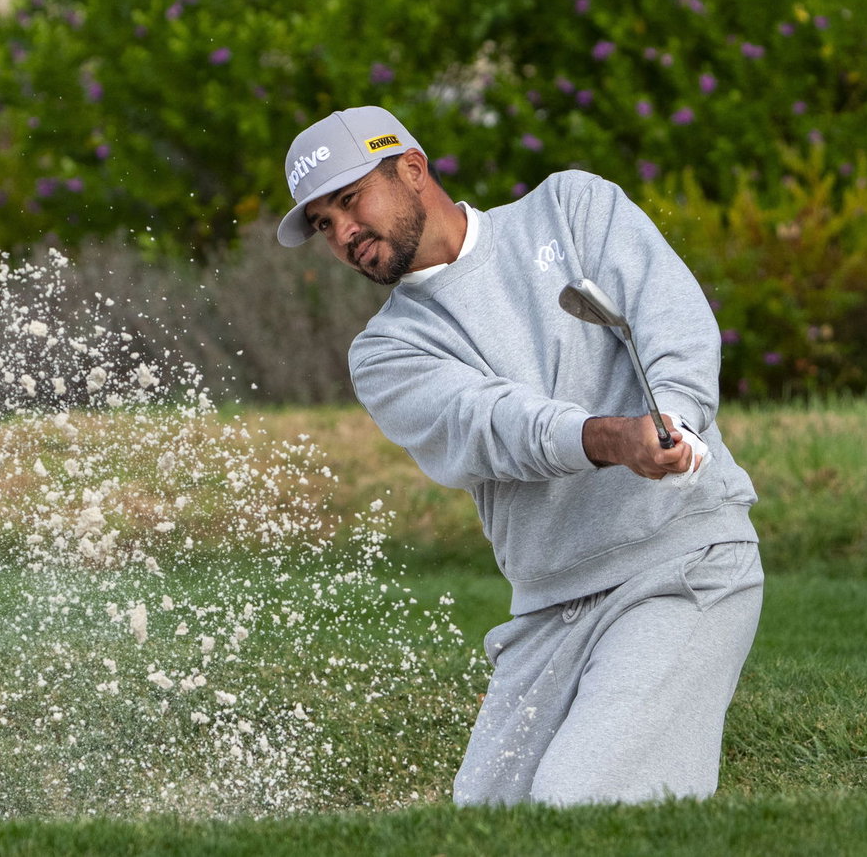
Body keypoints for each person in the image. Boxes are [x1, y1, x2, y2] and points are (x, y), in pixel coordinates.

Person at [274, 105, 764, 807]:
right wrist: (609, 438)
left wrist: (674, 417)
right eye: (324, 223)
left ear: (412, 170)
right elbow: (493, 426)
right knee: (488, 821)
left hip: (682, 564)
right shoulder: (384, 353)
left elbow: (671, 316)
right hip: (548, 610)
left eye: (350, 201)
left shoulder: (571, 208)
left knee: (579, 804)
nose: (344, 234)